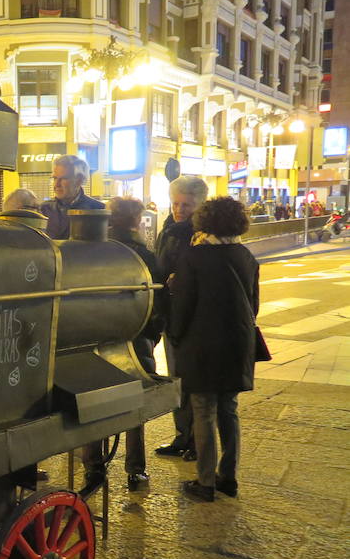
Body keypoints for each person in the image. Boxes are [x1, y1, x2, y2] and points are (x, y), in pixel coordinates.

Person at [168, 197, 258, 502]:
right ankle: (228, 477)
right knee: (229, 410)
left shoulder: (194, 257)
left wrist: (175, 336)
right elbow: (253, 304)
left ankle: (205, 482)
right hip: (237, 344)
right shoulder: (246, 256)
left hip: (202, 344)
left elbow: (182, 307)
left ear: (204, 221)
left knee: (204, 410)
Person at [81, 198, 162, 492]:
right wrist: (153, 335)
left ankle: (93, 468)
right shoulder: (145, 255)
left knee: (94, 402)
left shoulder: (94, 252)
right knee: (134, 407)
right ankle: (135, 471)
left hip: (96, 337)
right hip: (137, 339)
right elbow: (156, 302)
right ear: (135, 221)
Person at [154, 175, 208, 462]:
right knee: (178, 380)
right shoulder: (168, 229)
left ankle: (196, 442)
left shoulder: (203, 235)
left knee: (192, 382)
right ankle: (182, 436)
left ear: (199, 205)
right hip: (170, 313)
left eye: (186, 204)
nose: (179, 209)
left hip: (192, 318)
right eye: (175, 203)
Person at [40, 155, 105, 239]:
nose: (56, 184)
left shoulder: (98, 210)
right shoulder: (44, 209)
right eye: (55, 178)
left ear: (79, 180)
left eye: (63, 179)